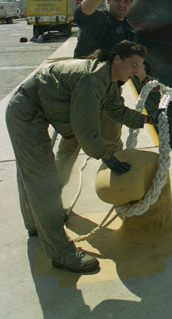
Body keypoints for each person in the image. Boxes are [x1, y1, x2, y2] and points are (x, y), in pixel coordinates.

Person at [6, 40, 156, 274]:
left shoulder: (108, 80)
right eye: (133, 65)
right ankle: (61, 253)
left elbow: (115, 110)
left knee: (34, 176)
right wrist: (107, 157)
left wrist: (145, 119)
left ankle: (36, 224)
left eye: (139, 67)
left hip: (34, 106)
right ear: (117, 59)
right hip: (26, 111)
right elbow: (85, 129)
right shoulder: (93, 79)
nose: (136, 72)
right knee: (42, 180)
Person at [55, 0, 150, 186]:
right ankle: (56, 189)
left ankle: (117, 186)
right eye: (117, 0)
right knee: (71, 143)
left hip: (110, 93)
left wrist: (145, 79)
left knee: (113, 141)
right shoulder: (97, 20)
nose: (122, 5)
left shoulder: (129, 30)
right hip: (82, 91)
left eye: (126, 2)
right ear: (108, 2)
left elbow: (134, 61)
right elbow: (80, 14)